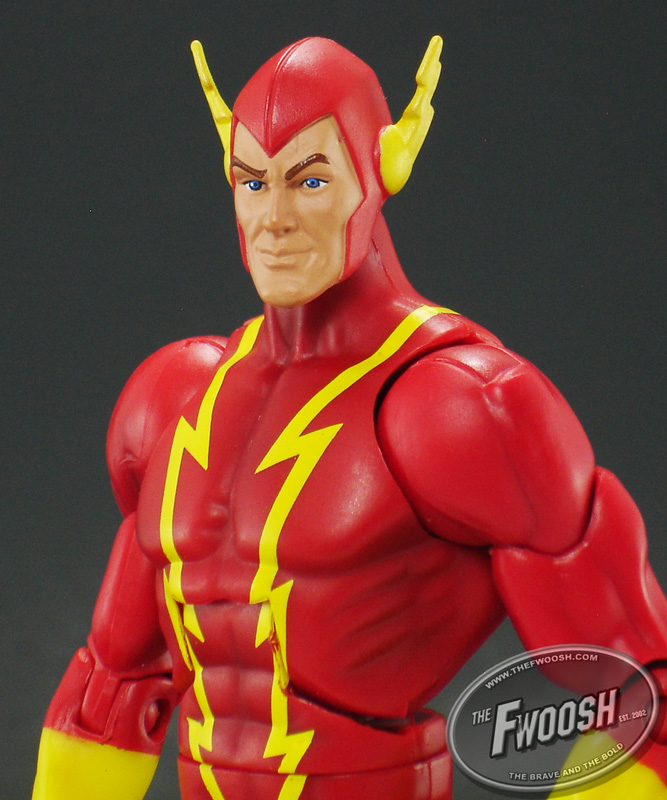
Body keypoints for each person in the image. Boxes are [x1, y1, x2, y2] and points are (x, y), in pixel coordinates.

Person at [32, 36, 667, 800]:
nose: (273, 218)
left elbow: (639, 694)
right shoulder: (172, 396)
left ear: (378, 173)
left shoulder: (462, 405)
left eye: (309, 180)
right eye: (252, 182)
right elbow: (114, 685)